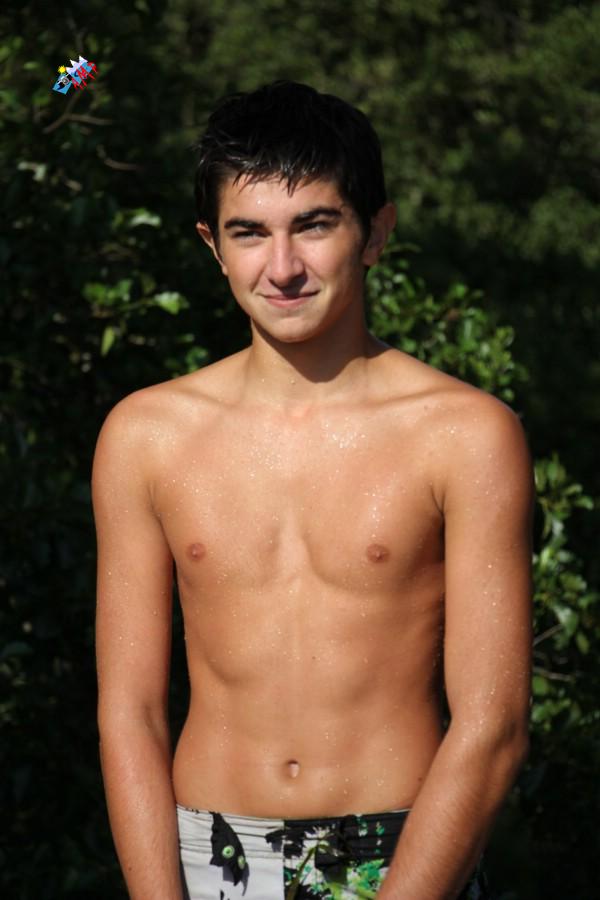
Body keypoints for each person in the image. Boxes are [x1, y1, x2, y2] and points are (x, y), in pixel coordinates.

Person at [93, 81, 533, 900]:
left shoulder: (466, 435)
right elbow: (130, 713)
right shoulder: (145, 436)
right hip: (207, 855)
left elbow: (494, 725)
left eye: (315, 225)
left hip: (403, 857)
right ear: (212, 245)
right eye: (249, 232)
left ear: (376, 233)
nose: (283, 267)